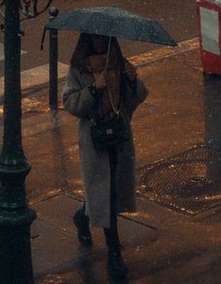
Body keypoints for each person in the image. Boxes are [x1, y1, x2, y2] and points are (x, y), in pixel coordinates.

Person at [63, 33, 148, 280]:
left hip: (118, 135)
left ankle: (83, 216)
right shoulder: (80, 68)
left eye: (104, 39)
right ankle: (114, 252)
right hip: (94, 138)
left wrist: (132, 82)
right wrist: (93, 89)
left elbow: (131, 102)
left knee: (109, 191)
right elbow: (71, 104)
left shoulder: (117, 64)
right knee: (105, 192)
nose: (100, 44)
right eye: (95, 39)